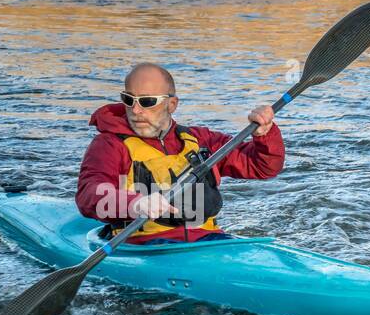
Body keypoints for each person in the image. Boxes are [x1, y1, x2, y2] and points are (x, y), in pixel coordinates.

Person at [76, 62, 284, 243]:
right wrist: (135, 203)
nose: (136, 110)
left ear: (172, 104)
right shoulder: (110, 145)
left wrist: (265, 134)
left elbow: (263, 167)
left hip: (208, 240)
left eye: (147, 101)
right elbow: (89, 195)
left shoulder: (201, 140)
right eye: (129, 100)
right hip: (142, 244)